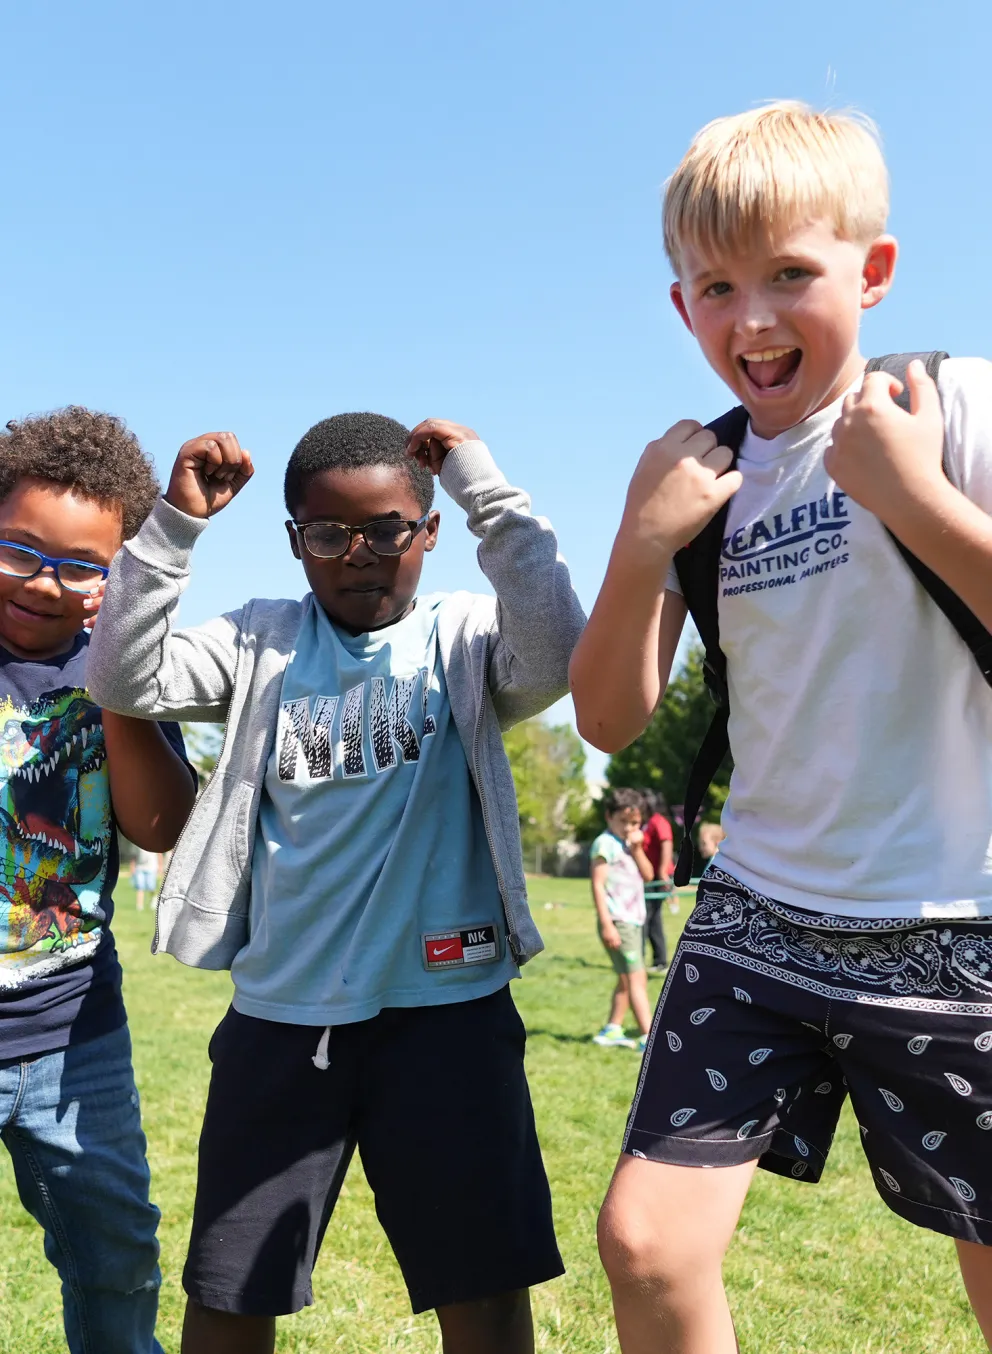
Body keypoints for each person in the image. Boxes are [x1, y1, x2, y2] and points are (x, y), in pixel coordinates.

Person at [569, 102, 992, 1353]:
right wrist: (641, 542)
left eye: (789, 275)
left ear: (871, 271)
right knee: (643, 1244)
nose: (749, 320)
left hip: (952, 922)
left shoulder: (948, 402)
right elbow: (606, 713)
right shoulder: (691, 478)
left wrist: (911, 494)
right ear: (678, 305)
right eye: (714, 286)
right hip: (757, 915)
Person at [87, 412, 585, 1354]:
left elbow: (561, 651)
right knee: (232, 1290)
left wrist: (484, 488)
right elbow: (122, 673)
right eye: (328, 533)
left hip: (452, 1013)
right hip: (282, 1020)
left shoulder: (467, 637)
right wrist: (176, 524)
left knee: (482, 1287)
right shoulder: (259, 643)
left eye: (389, 528)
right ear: (296, 541)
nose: (360, 553)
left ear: (428, 532)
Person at [0, 408, 198, 1354]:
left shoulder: (122, 671)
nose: (46, 582)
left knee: (116, 1250)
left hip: (70, 1034)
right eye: (20, 550)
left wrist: (116, 670)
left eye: (83, 566)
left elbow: (160, 824)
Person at [590, 788, 654, 1052]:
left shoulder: (629, 846)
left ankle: (612, 1029)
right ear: (609, 817)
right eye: (624, 822)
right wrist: (607, 924)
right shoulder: (604, 844)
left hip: (633, 921)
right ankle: (649, 1036)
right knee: (637, 979)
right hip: (618, 922)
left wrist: (638, 849)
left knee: (626, 979)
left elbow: (649, 875)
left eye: (635, 823)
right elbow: (597, 884)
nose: (629, 828)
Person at [639, 790, 673, 970]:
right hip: (648, 877)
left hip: (658, 878)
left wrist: (662, 872)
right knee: (653, 918)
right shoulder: (646, 823)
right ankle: (659, 961)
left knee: (647, 917)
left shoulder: (659, 822)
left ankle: (643, 958)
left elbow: (666, 844)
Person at [131, 846, 162, 911]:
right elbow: (134, 856)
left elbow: (159, 854)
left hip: (151, 867)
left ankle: (154, 898)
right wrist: (132, 866)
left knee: (151, 887)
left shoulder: (154, 842)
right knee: (140, 887)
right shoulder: (137, 843)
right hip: (140, 867)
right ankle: (139, 906)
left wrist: (160, 866)